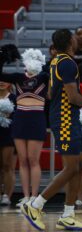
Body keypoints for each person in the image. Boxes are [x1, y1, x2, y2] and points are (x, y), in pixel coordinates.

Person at [20, 29, 82, 231]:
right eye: (74, 38)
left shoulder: (55, 61)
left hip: (62, 117)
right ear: (70, 41)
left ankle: (68, 215)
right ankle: (35, 205)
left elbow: (52, 93)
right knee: (71, 167)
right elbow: (73, 98)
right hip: (65, 120)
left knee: (77, 167)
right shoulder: (68, 63)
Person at [0, 48, 48, 207]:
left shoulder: (43, 78)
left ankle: (35, 197)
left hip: (36, 120)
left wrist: (46, 64)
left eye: (36, 58)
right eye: (30, 58)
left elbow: (53, 72)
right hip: (20, 119)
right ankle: (26, 196)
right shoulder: (18, 77)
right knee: (23, 160)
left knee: (33, 160)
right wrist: (3, 58)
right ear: (24, 61)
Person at [0, 81, 16, 206]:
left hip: (8, 134)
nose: (1, 83)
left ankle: (7, 195)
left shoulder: (14, 98)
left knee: (7, 165)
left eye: (4, 80)